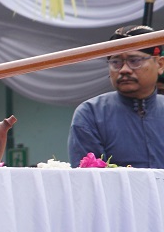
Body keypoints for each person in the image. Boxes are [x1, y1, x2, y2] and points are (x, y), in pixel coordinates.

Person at [68, 25, 164, 168]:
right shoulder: (91, 114)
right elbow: (90, 181)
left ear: (160, 64)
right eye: (116, 62)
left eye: (135, 60)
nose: (124, 70)